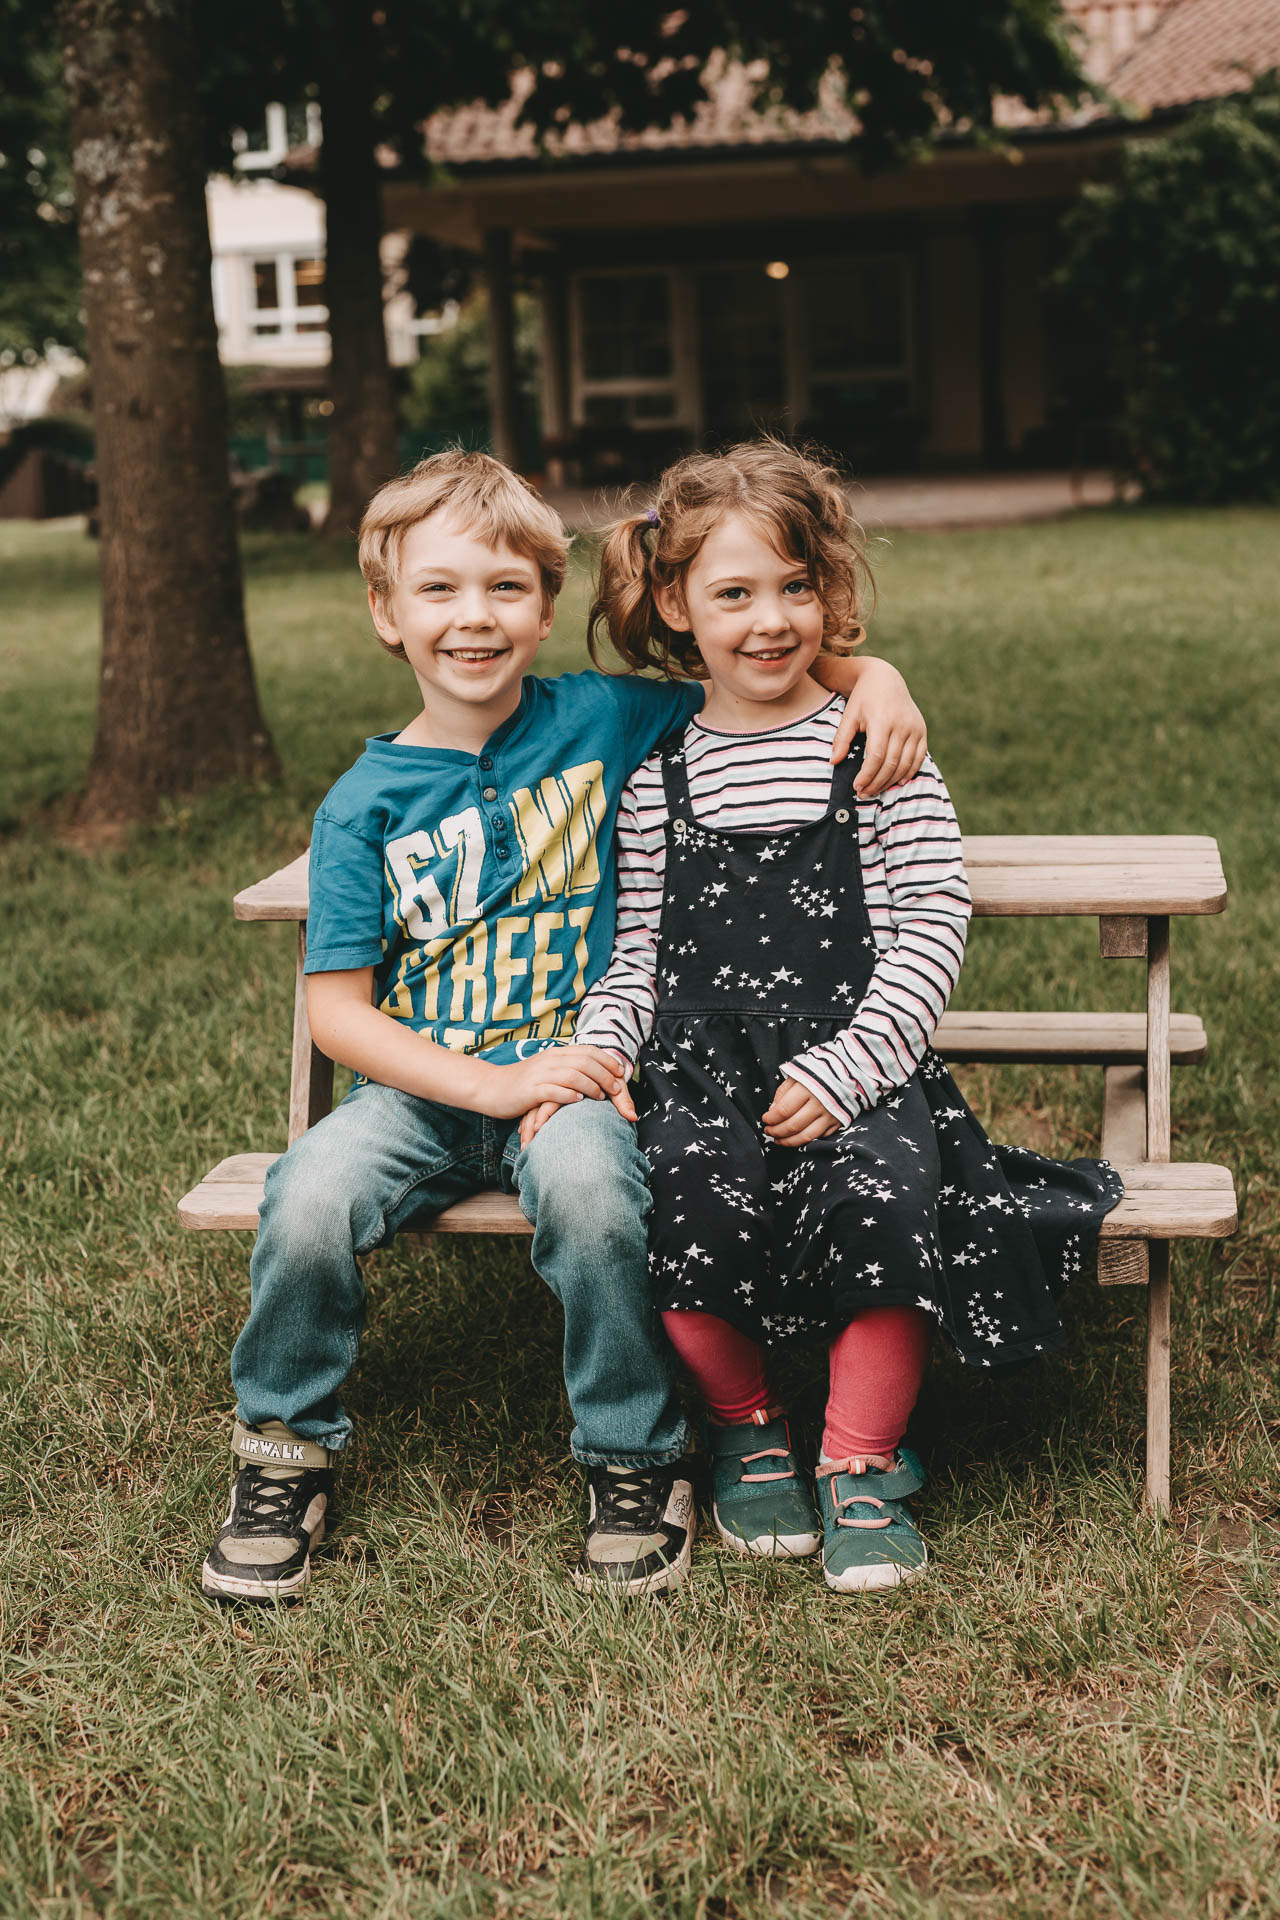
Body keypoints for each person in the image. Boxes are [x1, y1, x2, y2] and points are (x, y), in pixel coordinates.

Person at [200, 448, 930, 1604]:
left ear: (546, 607)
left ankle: (634, 1463)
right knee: (305, 1200)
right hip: (418, 1091)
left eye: (504, 588)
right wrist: (485, 1087)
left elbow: (746, 662)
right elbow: (334, 1012)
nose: (472, 618)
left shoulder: (599, 715)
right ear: (386, 616)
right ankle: (284, 1450)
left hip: (588, 1075)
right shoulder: (360, 806)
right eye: (437, 590)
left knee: (595, 1201)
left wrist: (873, 672)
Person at [553, 440, 1124, 1594]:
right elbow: (634, 948)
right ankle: (745, 1424)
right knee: (683, 1213)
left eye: (795, 587)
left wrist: (859, 1063)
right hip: (698, 1066)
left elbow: (929, 922)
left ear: (830, 594)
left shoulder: (876, 748)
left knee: (883, 1203)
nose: (769, 621)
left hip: (854, 1057)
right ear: (675, 603)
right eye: (733, 593)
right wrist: (604, 1046)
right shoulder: (655, 773)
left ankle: (860, 1457)